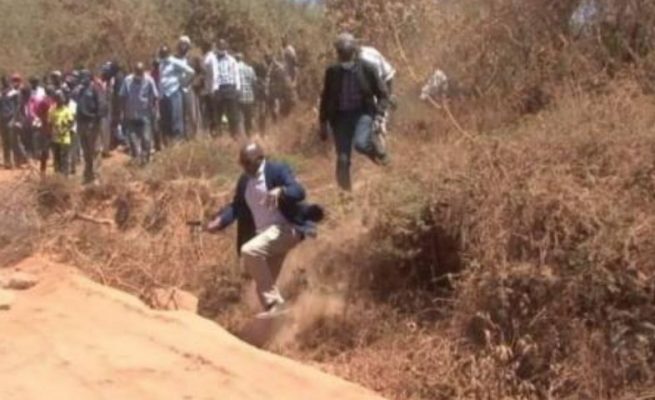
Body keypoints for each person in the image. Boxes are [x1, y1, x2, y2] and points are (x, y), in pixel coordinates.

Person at [206, 142, 324, 319]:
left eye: (248, 162)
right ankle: (282, 321)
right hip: (266, 237)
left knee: (249, 250)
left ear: (260, 159)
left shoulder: (276, 170)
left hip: (286, 229)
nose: (245, 167)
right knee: (263, 287)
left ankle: (275, 304)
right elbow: (237, 207)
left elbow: (299, 191)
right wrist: (220, 221)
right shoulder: (244, 180)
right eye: (242, 163)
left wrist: (281, 190)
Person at [319, 33, 391, 191]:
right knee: (343, 159)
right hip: (340, 118)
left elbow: (383, 94)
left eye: (346, 54)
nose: (343, 58)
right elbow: (326, 97)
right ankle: (345, 192)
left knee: (361, 144)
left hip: (362, 114)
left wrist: (379, 114)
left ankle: (379, 153)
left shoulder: (367, 69)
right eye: (340, 54)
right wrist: (322, 122)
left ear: (354, 52)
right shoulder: (332, 72)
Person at [120, 62, 159, 166]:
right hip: (131, 115)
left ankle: (145, 160)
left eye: (140, 73)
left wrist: (155, 111)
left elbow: (155, 96)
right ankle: (136, 158)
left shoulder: (149, 80)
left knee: (146, 138)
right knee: (132, 139)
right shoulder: (127, 80)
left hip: (145, 114)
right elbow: (122, 96)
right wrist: (123, 112)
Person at [158, 45, 195, 143]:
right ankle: (168, 141)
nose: (163, 57)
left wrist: (183, 83)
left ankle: (178, 139)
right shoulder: (161, 64)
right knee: (166, 118)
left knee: (176, 117)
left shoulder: (174, 62)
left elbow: (191, 72)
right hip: (163, 94)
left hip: (174, 92)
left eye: (164, 55)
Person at [76, 69, 107, 184]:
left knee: (95, 150)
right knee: (86, 151)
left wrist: (96, 120)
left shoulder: (95, 89)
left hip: (92, 123)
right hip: (81, 124)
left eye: (84, 77)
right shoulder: (80, 90)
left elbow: (102, 105)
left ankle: (96, 176)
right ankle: (88, 175)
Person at [213, 39, 242, 137]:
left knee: (232, 112)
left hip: (230, 87)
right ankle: (219, 134)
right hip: (219, 88)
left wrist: (238, 88)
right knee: (219, 113)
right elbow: (215, 75)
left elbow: (236, 74)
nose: (221, 49)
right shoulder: (214, 60)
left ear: (226, 48)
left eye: (223, 46)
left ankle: (234, 134)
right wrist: (215, 89)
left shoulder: (231, 60)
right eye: (219, 47)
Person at [0, 75, 27, 169]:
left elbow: (18, 107)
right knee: (5, 141)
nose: (4, 83)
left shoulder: (15, 93)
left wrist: (16, 120)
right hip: (2, 120)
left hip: (12, 119)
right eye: (2, 81)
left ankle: (19, 161)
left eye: (6, 81)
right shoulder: (1, 93)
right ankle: (7, 162)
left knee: (14, 141)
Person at [48, 90, 75, 176]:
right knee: (56, 159)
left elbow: (71, 122)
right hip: (55, 138)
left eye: (61, 98)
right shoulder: (52, 110)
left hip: (65, 138)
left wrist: (65, 129)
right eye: (58, 98)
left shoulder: (67, 110)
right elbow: (50, 122)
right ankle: (57, 176)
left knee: (65, 159)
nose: (60, 100)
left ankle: (65, 176)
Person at [235, 53, 258, 137]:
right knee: (248, 117)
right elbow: (254, 82)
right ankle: (249, 135)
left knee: (240, 118)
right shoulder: (250, 69)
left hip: (239, 97)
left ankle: (242, 136)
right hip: (249, 96)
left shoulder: (234, 69)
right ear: (243, 59)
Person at [201, 42, 218, 134]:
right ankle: (212, 130)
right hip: (210, 88)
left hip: (210, 89)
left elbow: (213, 74)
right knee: (211, 110)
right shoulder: (209, 57)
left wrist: (211, 88)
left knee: (211, 111)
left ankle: (213, 130)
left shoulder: (209, 57)